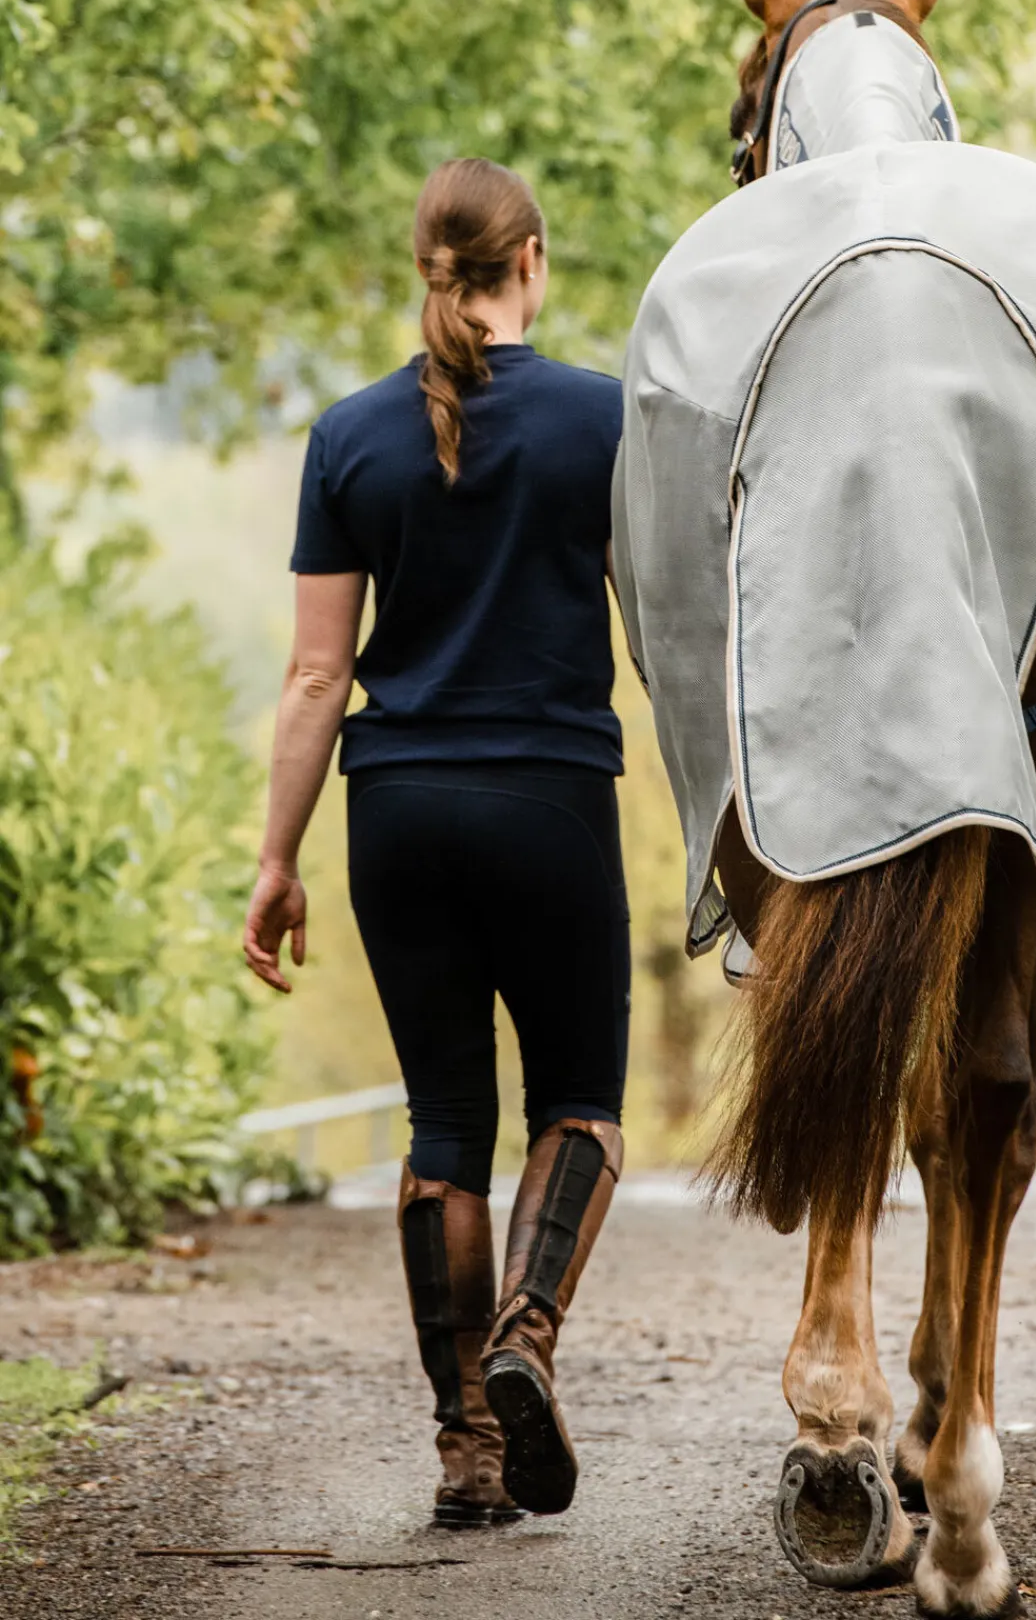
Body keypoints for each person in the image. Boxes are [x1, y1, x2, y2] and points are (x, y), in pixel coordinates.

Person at [242, 157, 628, 1529]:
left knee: (444, 1128)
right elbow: (677, 636)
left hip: (396, 811)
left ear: (429, 267)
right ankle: (527, 1329)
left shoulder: (349, 438)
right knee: (578, 1102)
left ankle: (467, 1449)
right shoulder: (605, 422)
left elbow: (311, 678)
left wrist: (277, 860)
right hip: (552, 804)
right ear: (530, 261)